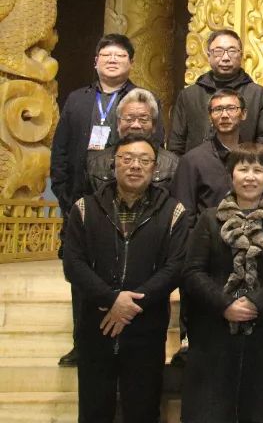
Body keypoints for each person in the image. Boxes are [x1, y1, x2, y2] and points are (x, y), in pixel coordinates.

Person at [62, 133, 188, 422]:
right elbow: (74, 264)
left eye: (144, 160)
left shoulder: (173, 211)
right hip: (97, 324)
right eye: (127, 158)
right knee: (94, 410)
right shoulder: (85, 208)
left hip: (146, 327)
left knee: (143, 410)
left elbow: (175, 267)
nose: (135, 166)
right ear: (113, 163)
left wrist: (130, 305)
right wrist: (111, 299)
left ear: (155, 167)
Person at [52, 34, 161, 367]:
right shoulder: (77, 100)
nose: (112, 60)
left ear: (131, 62)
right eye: (106, 55)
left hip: (127, 204)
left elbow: (156, 149)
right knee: (82, 274)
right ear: (95, 61)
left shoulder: (141, 100)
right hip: (81, 201)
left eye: (120, 55)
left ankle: (124, 339)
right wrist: (66, 197)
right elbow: (60, 151)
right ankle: (81, 342)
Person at [181, 143, 263, 423]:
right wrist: (225, 304)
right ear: (231, 174)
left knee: (257, 410)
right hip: (213, 330)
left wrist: (256, 303)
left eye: (258, 170)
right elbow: (193, 271)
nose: (250, 177)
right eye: (243, 169)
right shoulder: (209, 219)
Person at [169, 28, 263, 155]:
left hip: (244, 165)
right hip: (197, 165)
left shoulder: (258, 94)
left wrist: (247, 165)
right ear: (208, 56)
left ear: (241, 55)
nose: (225, 58)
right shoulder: (189, 95)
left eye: (232, 51)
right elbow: (176, 145)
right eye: (218, 51)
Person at [171, 88, 249, 226]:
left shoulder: (253, 157)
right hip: (207, 236)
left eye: (231, 108)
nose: (224, 115)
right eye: (217, 109)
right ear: (210, 117)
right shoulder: (192, 160)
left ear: (243, 114)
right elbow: (184, 216)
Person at [85, 88, 180, 193]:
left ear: (153, 125)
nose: (136, 125)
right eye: (129, 119)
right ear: (118, 123)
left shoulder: (172, 165)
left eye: (143, 120)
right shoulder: (95, 162)